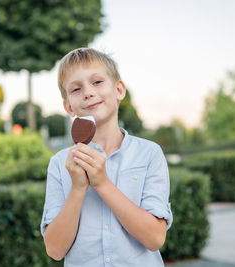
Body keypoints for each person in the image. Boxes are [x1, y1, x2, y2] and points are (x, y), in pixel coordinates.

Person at [41, 48, 172, 267]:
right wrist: (77, 188)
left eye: (97, 82)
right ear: (68, 107)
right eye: (75, 88)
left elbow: (155, 239)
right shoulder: (59, 164)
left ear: (119, 89)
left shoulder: (149, 154)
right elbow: (54, 250)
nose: (88, 92)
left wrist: (102, 183)